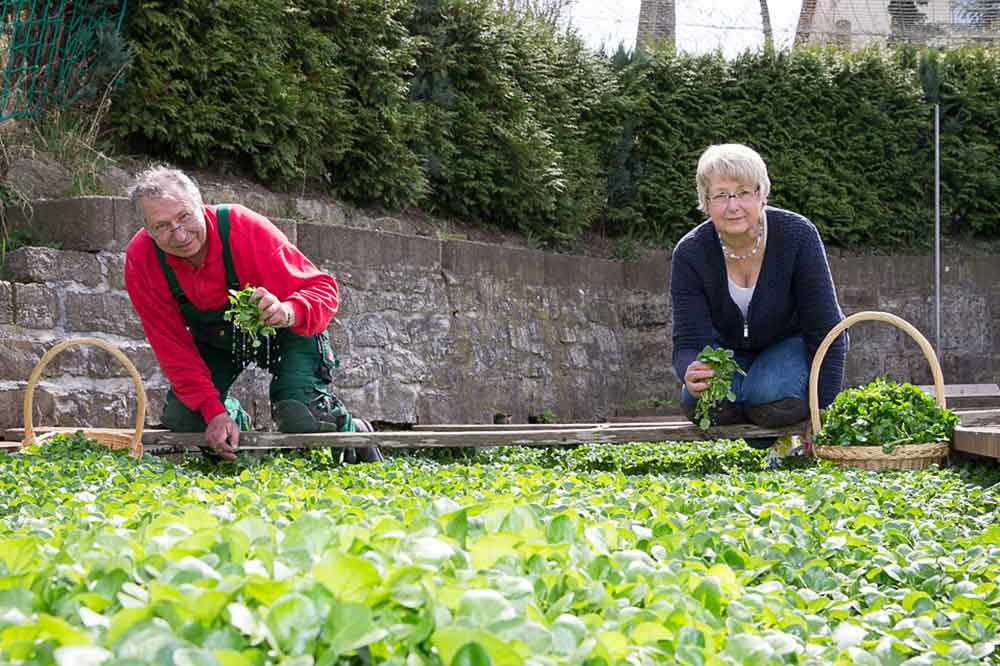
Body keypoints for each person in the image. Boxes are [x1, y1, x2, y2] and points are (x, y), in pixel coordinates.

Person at [124, 166, 382, 463]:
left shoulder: (242, 227)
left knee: (300, 415)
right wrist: (215, 413)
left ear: (200, 204)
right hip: (217, 340)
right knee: (186, 416)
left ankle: (355, 433)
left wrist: (287, 310)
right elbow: (171, 347)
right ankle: (240, 439)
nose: (180, 235)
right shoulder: (142, 259)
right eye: (162, 226)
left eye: (185, 216)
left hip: (287, 329)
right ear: (146, 228)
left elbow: (323, 290)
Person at [671, 143, 847, 439]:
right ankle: (756, 410)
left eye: (743, 192)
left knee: (768, 393)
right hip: (730, 353)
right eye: (721, 195)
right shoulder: (690, 253)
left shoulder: (798, 235)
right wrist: (690, 369)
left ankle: (759, 401)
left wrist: (823, 414)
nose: (733, 205)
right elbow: (688, 341)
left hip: (790, 346)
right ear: (705, 201)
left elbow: (828, 330)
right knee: (700, 400)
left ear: (762, 195)